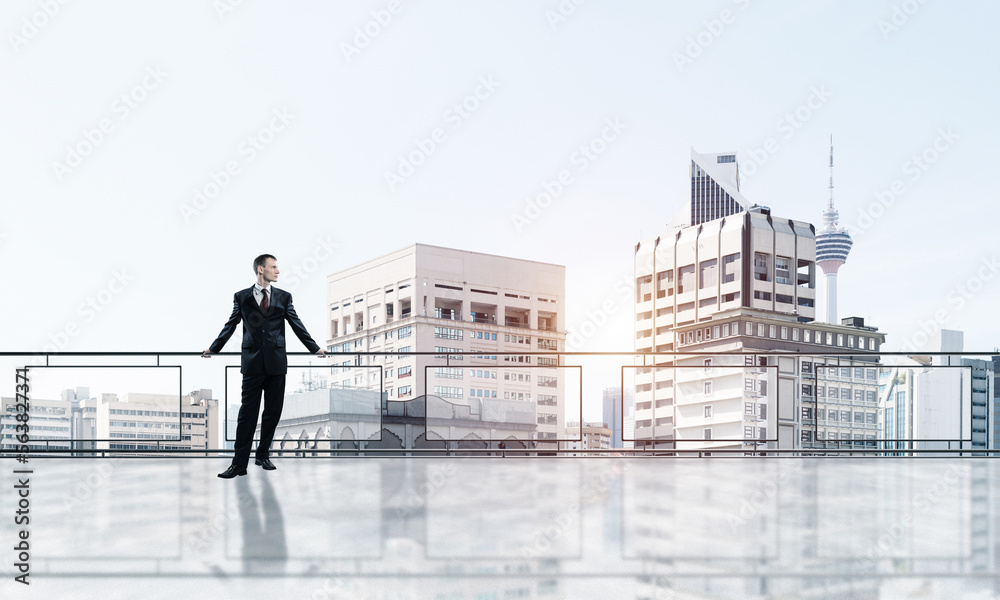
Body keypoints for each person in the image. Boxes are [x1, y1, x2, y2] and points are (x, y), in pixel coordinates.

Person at [203, 254, 326, 478]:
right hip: (252, 364)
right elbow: (230, 324)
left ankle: (263, 455)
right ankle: (239, 464)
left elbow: (296, 324)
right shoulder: (241, 297)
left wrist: (314, 348)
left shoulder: (284, 297)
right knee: (247, 415)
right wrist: (214, 348)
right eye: (274, 267)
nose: (278, 271)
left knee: (272, 413)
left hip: (277, 363)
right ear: (261, 269)